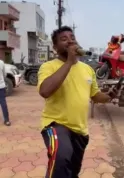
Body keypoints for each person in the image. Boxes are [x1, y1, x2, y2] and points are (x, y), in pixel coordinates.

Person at [37, 26, 116, 178]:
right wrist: (69, 63)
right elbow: (45, 91)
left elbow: (94, 95)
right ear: (55, 47)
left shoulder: (88, 69)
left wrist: (108, 96)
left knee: (72, 171)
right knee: (60, 159)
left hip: (80, 130)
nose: (70, 41)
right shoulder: (48, 66)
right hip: (55, 124)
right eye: (64, 39)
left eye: (72, 38)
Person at [0, 59, 10, 126]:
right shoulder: (1, 62)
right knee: (3, 103)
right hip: (1, 85)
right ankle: (7, 120)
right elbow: (4, 74)